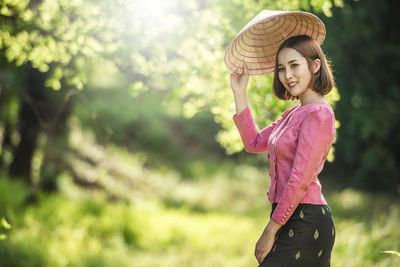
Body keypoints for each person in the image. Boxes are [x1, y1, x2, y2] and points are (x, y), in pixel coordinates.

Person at [231, 35, 336, 267]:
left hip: (306, 220)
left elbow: (300, 180)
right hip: (286, 216)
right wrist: (240, 93)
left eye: (294, 65)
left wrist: (270, 230)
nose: (287, 75)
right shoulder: (294, 113)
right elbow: (254, 142)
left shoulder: (318, 114)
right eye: (281, 68)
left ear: (315, 65)